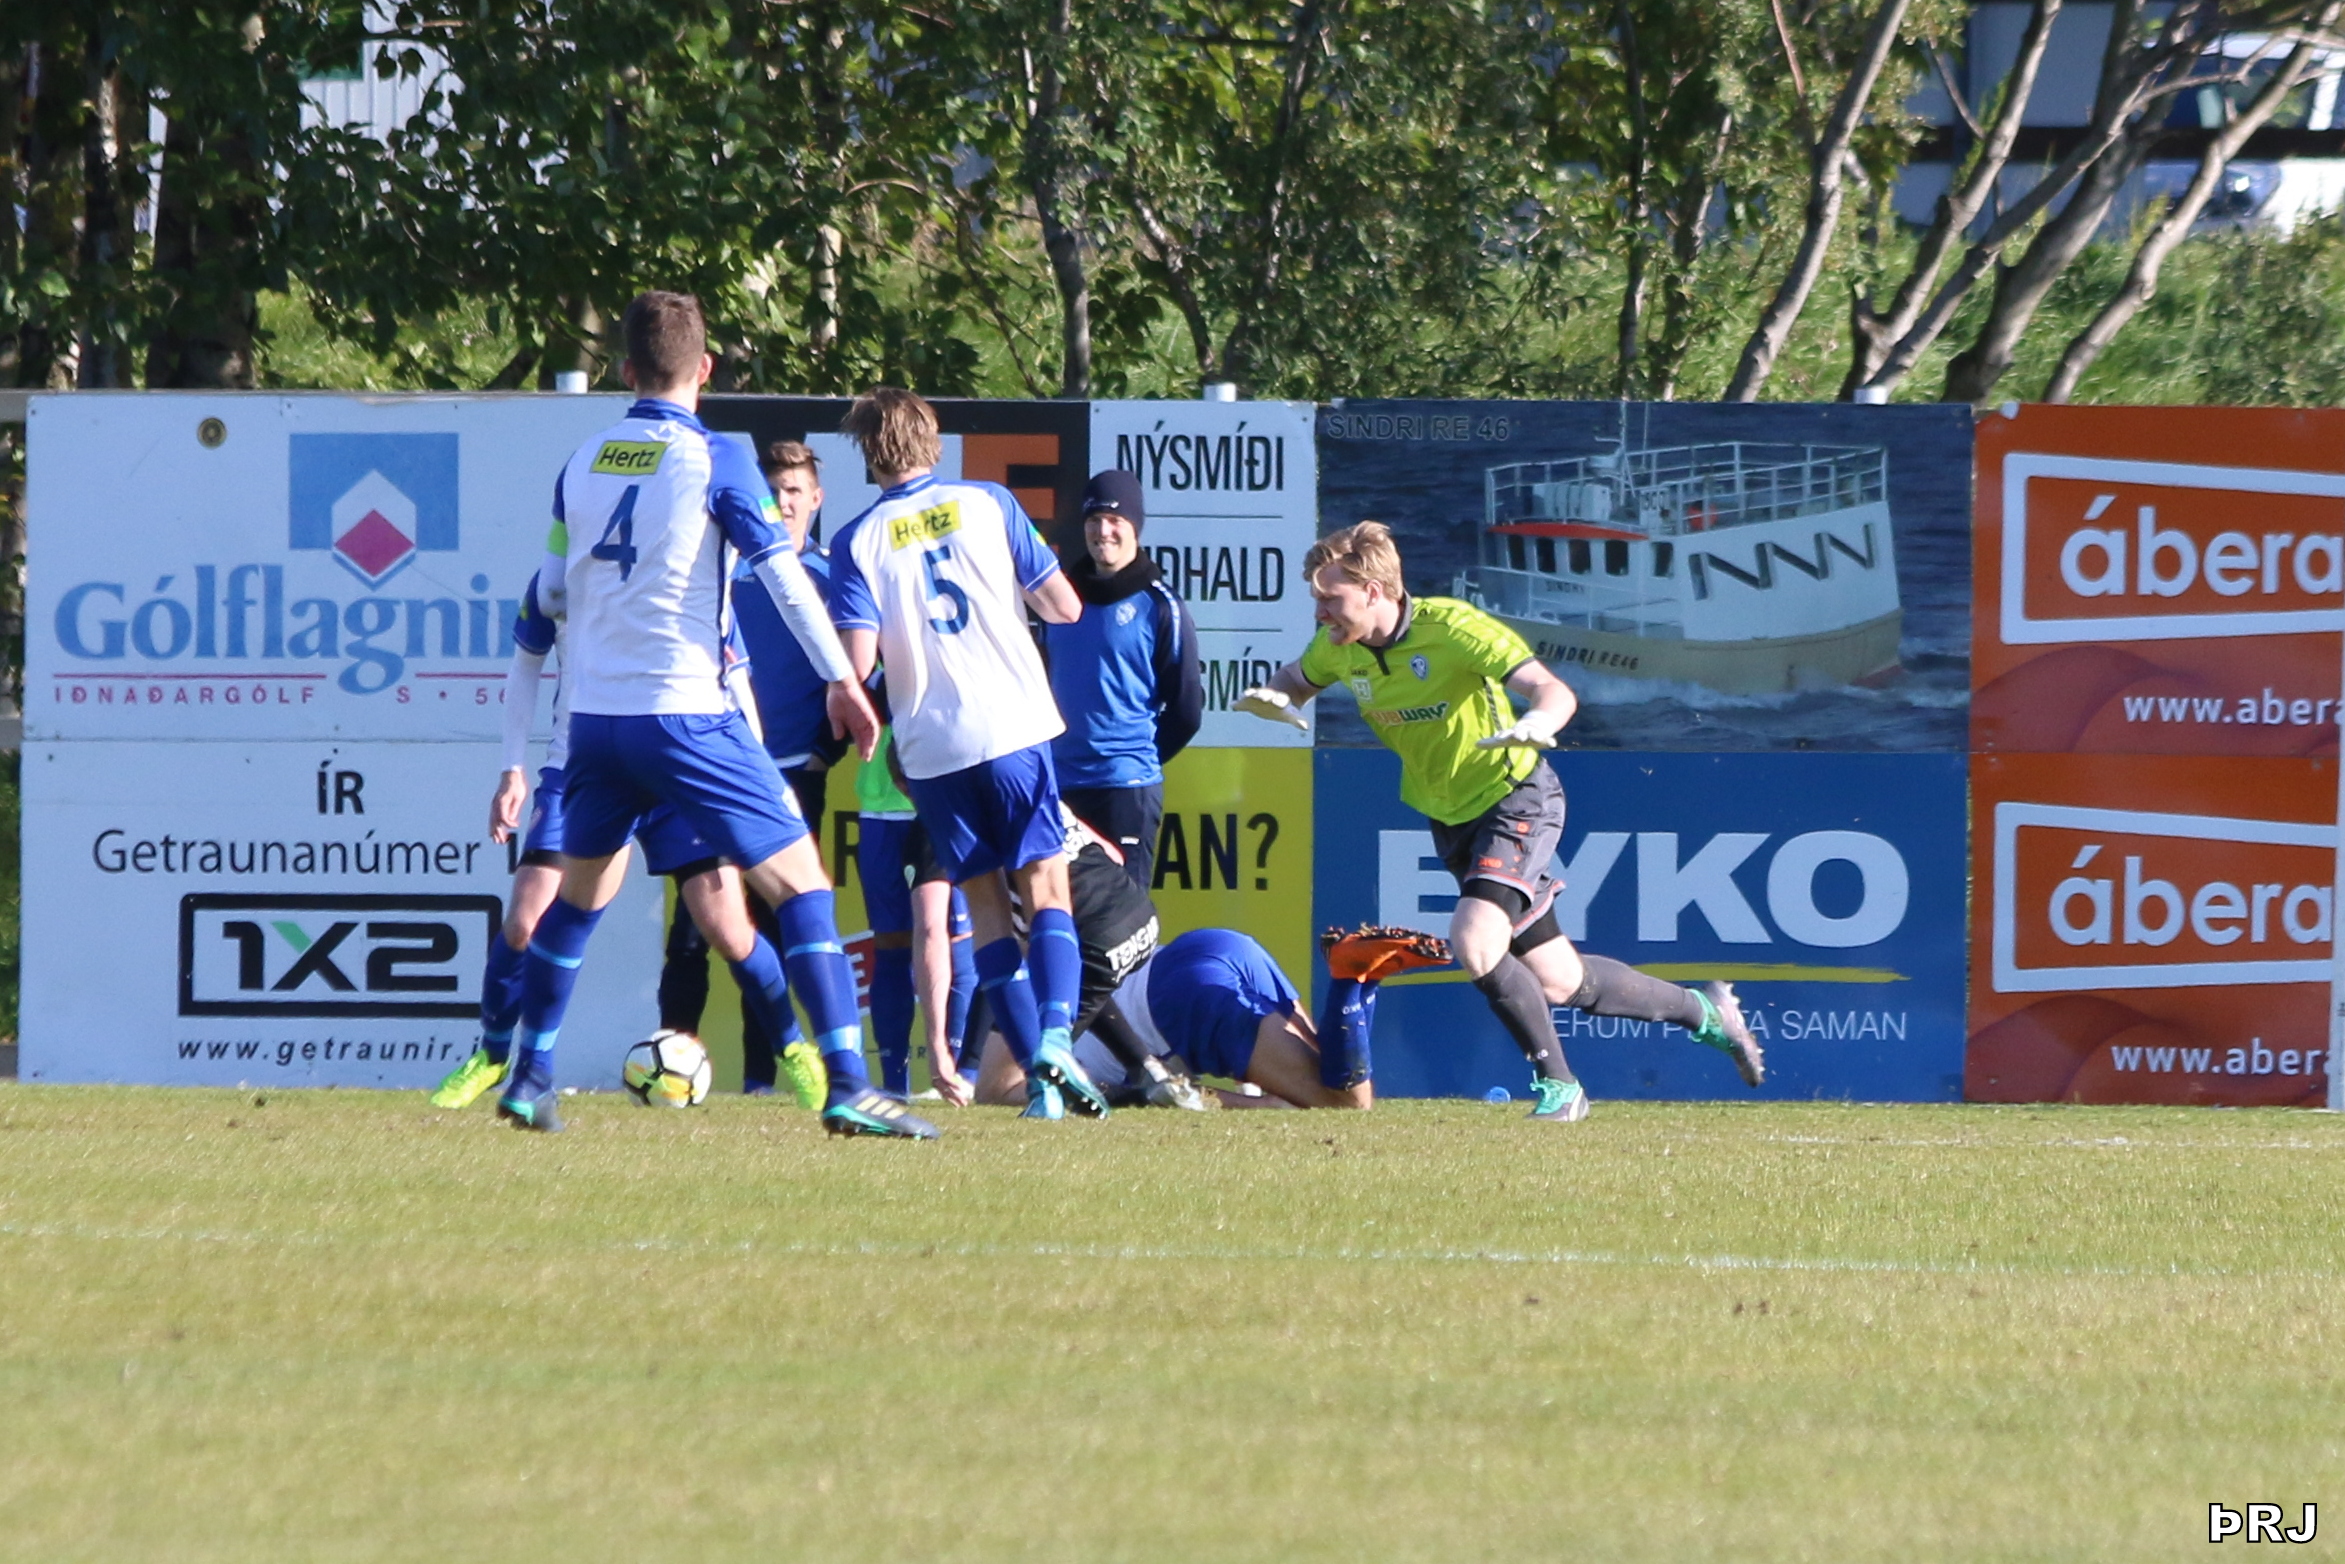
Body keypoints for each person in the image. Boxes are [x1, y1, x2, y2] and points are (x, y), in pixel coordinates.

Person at [493, 291, 933, 1140]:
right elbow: (782, 576)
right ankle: (848, 1084)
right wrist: (841, 679)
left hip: (595, 722)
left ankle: (530, 1073)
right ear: (705, 369)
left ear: (626, 371)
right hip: (686, 714)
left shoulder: (581, 461)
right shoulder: (717, 455)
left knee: (576, 904)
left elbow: (548, 590)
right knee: (802, 885)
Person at [1234, 520, 1765, 1122]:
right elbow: (1296, 679)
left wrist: (1539, 721)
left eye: (1330, 598)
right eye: (1317, 600)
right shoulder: (1338, 647)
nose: (1320, 612)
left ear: (1374, 591)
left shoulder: (1453, 628)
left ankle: (1561, 1089)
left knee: (1475, 940)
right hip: (1451, 819)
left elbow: (1552, 689)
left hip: (1515, 799)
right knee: (1560, 980)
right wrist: (1276, 697)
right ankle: (1706, 1014)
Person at [428, 573, 820, 1110]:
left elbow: (737, 683)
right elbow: (525, 666)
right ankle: (496, 1056)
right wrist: (511, 769)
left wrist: (758, 778)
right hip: (585, 768)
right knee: (524, 921)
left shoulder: (692, 580)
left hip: (680, 770)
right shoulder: (561, 577)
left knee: (729, 929)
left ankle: (794, 1050)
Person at [826, 387, 1109, 1121]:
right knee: (1045, 887)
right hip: (1012, 726)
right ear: (934, 440)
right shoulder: (988, 503)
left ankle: (1041, 1090)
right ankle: (1054, 1039)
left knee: (984, 908)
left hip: (931, 747)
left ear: (868, 454)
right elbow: (1064, 606)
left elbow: (858, 663)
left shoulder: (856, 540)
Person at [654, 438, 844, 1101]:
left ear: (816, 499)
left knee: (773, 926)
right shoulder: (720, 570)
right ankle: (668, 1066)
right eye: (775, 491)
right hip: (711, 765)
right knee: (693, 931)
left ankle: (763, 1080)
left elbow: (859, 673)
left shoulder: (827, 580)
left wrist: (822, 752)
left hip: (790, 774)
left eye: (796, 491)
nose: (785, 503)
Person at [982, 925, 1450, 1109]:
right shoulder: (1049, 962)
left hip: (1181, 1000)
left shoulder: (1018, 1002)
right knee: (1335, 1078)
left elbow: (995, 1091)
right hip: (1219, 947)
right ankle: (1360, 977)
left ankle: (1352, 980)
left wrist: (1248, 1106)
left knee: (1344, 1106)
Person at [1043, 469, 1202, 889]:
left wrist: (1131, 757)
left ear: (1135, 526)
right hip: (1060, 784)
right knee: (1058, 908)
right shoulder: (1058, 599)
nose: (1103, 531)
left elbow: (1186, 710)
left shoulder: (1160, 606)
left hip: (1125, 788)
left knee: (1121, 915)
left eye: (1115, 520)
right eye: (1094, 520)